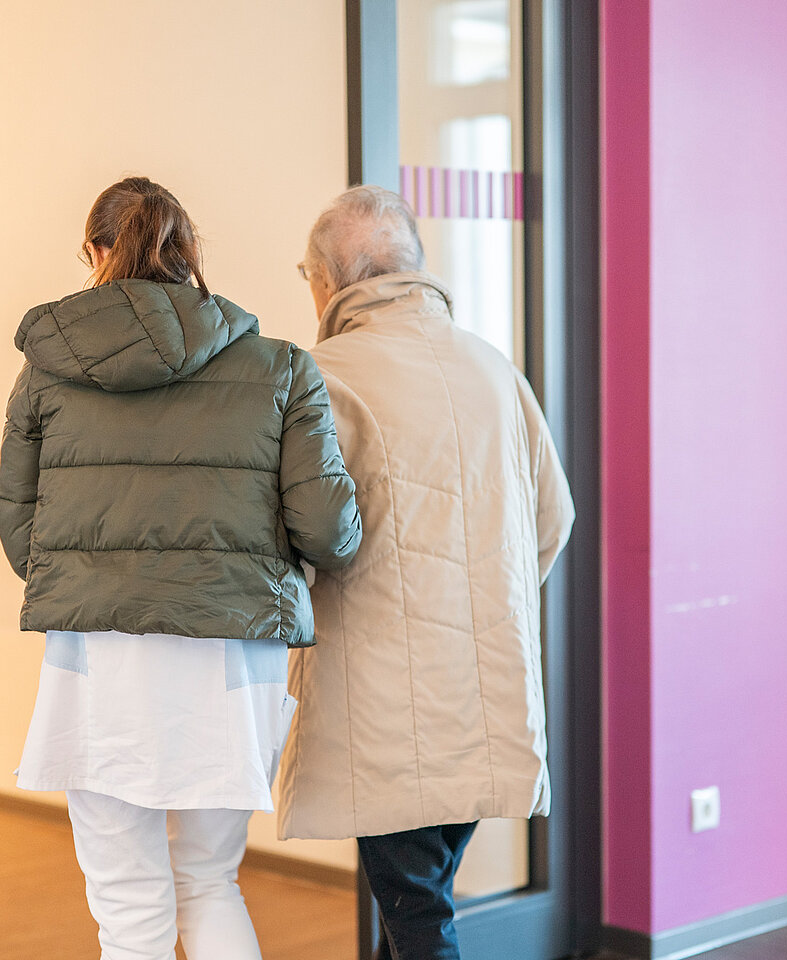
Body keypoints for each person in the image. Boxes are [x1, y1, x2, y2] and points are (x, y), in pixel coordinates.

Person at [0, 175, 362, 960]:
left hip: (96, 657)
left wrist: (90, 579)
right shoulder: (282, 368)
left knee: (127, 905)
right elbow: (328, 530)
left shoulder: (46, 371)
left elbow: (19, 526)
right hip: (232, 654)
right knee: (210, 882)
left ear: (94, 252)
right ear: (189, 252)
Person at [276, 185, 575, 960]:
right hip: (486, 698)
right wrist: (490, 601)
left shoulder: (322, 375)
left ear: (327, 280)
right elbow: (554, 518)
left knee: (418, 921)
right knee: (417, 905)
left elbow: (298, 534)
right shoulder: (493, 369)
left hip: (382, 709)